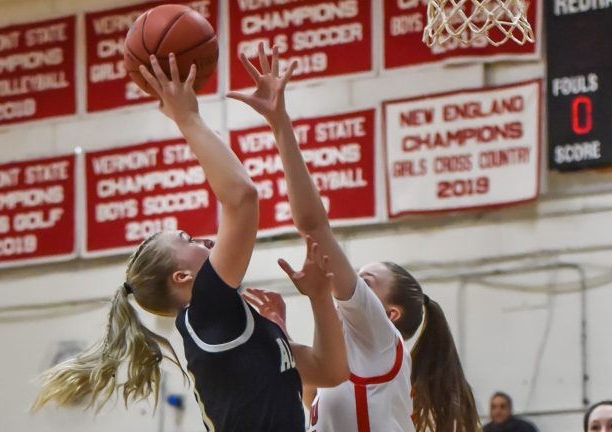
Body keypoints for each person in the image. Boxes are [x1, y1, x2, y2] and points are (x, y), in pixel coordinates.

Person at [32, 53, 349, 431]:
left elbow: (330, 371)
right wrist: (187, 116)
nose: (205, 239)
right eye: (187, 238)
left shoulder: (231, 323)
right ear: (181, 277)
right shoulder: (207, 311)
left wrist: (317, 297)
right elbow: (242, 198)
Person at [230, 44, 480, 432]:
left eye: (365, 281)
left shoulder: (379, 335)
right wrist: (280, 329)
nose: (347, 278)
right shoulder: (351, 354)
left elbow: (314, 227)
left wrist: (280, 125)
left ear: (389, 313)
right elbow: (312, 396)